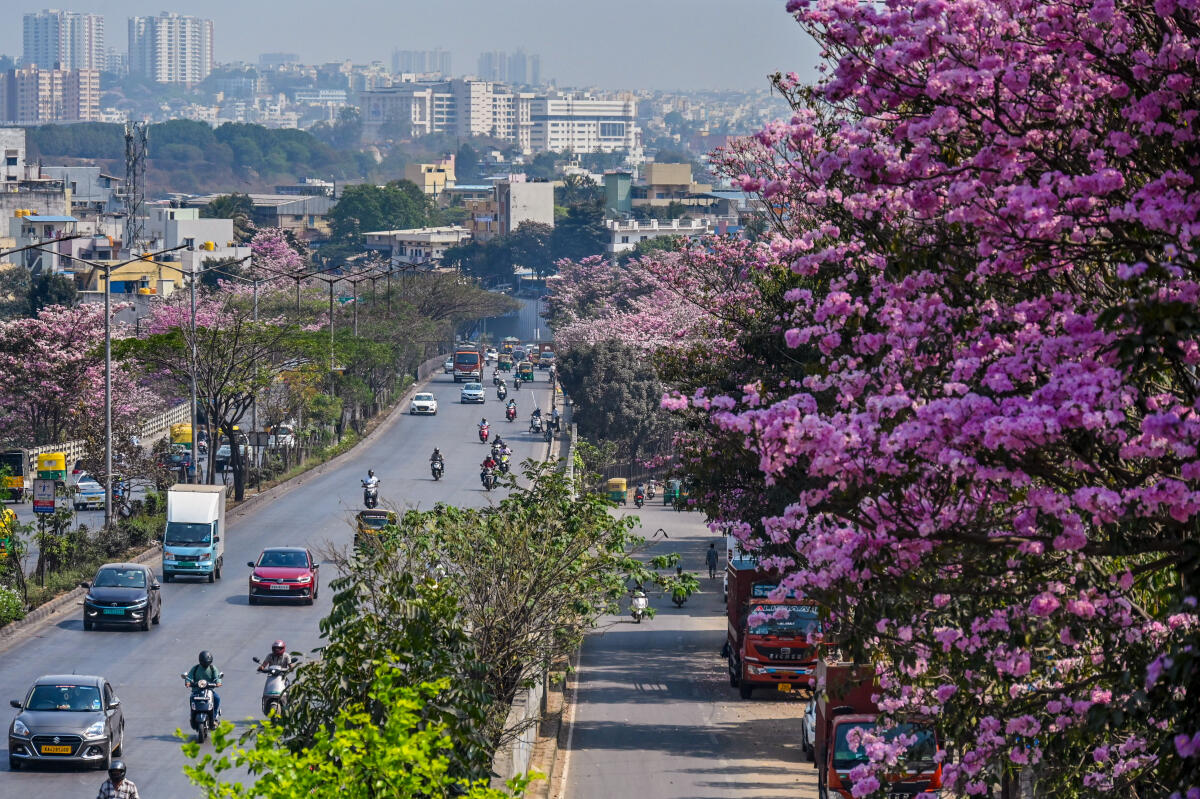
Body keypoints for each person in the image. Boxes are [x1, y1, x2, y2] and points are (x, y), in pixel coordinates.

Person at [185, 650, 222, 720]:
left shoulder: (212, 668)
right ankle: (193, 714)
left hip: (209, 690)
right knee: (192, 698)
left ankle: (214, 715)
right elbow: (189, 676)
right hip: (196, 690)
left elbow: (217, 676)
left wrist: (218, 682)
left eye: (207, 662)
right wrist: (187, 682)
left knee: (217, 698)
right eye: (203, 662)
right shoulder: (195, 668)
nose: (205, 664)